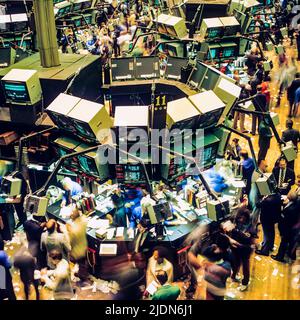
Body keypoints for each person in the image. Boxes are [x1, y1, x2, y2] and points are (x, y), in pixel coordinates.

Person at [225, 208, 256, 291]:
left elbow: (247, 239)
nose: (239, 220)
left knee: (245, 267)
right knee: (235, 263)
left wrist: (234, 230)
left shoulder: (251, 229)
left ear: (246, 217)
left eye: (240, 218)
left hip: (245, 250)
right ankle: (234, 275)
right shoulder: (237, 220)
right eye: (238, 218)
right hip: (235, 248)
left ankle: (245, 283)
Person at [271, 192, 300, 262]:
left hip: (287, 228)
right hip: (294, 226)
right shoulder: (297, 202)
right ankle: (292, 255)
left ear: (290, 198)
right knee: (292, 241)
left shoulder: (290, 210)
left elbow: (284, 220)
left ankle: (279, 257)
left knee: (283, 243)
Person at [66, 208, 89, 283]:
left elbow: (70, 242)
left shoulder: (74, 230)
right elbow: (84, 216)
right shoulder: (83, 220)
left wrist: (68, 230)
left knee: (81, 264)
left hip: (77, 251)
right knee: (83, 262)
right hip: (84, 246)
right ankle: (84, 272)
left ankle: (83, 276)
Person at [249, 159, 268, 228]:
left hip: (254, 193)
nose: (266, 166)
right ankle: (252, 228)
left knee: (256, 211)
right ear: (260, 165)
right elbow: (262, 188)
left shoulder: (258, 171)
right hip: (255, 196)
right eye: (264, 165)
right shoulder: (258, 174)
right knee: (255, 213)